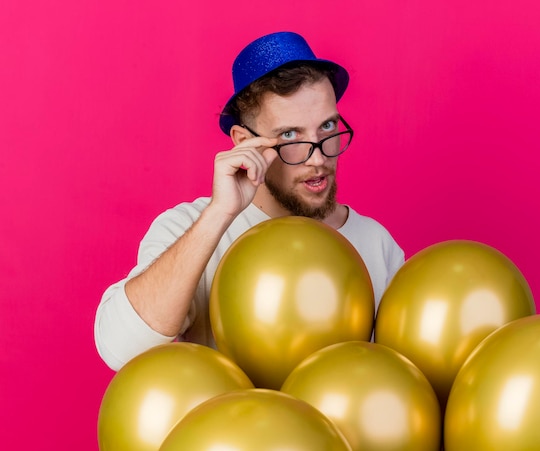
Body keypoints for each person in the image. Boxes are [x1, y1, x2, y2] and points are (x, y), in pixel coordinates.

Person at [95, 31, 405, 371]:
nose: (318, 158)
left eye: (327, 126)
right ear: (244, 142)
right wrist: (219, 213)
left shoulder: (376, 243)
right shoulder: (191, 228)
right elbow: (120, 349)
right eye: (290, 135)